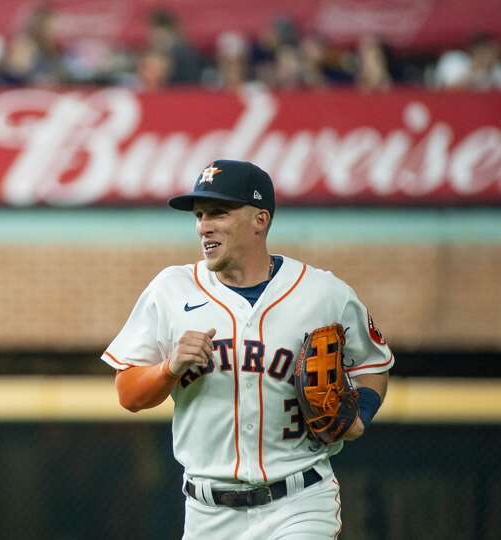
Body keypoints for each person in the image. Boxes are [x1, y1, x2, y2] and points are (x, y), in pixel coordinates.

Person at [101, 160, 392, 539]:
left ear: (260, 220)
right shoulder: (170, 290)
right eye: (200, 215)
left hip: (299, 502)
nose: (204, 225)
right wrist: (168, 368)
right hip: (208, 514)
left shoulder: (322, 293)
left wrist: (361, 415)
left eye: (219, 213)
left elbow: (372, 362)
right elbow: (128, 394)